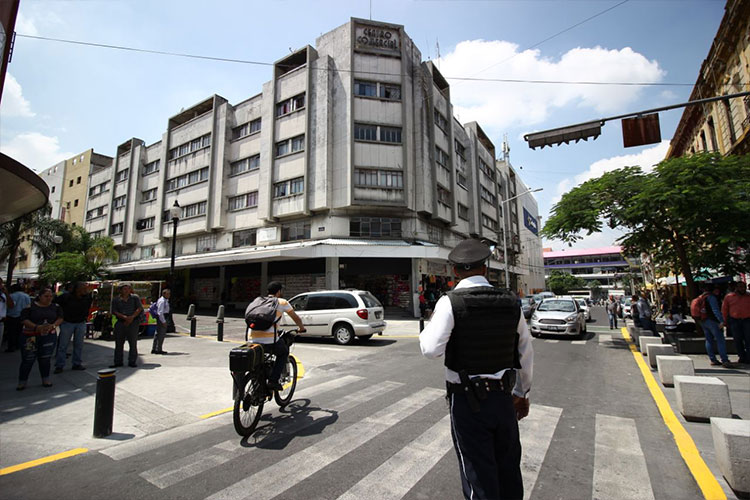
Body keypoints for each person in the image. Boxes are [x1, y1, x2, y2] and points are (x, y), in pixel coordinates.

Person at [419, 239, 533, 500]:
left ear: (455, 271)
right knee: (509, 473)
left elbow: (430, 350)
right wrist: (522, 393)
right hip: (504, 399)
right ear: (485, 268)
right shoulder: (510, 302)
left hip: (468, 402)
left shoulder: (450, 302)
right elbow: (525, 352)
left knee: (479, 479)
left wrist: (428, 327)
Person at [247, 281, 305, 390]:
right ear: (278, 292)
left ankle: (256, 384)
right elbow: (296, 318)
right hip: (270, 341)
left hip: (252, 339)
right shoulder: (282, 302)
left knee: (258, 362)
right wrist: (301, 328)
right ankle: (273, 381)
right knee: (283, 352)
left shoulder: (258, 301)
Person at [18, 288, 63, 390]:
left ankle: (45, 379)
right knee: (28, 359)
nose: (49, 298)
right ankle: (22, 381)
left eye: (50, 296)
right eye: (46, 296)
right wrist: (36, 327)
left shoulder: (55, 307)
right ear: (40, 296)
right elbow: (24, 319)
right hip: (31, 336)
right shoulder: (30, 307)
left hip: (48, 336)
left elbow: (60, 318)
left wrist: (53, 326)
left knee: (45, 358)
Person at [54, 282, 93, 373]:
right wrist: (60, 316)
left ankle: (76, 363)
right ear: (77, 289)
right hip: (68, 322)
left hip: (80, 322)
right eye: (83, 288)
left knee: (79, 344)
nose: (85, 290)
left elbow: (87, 307)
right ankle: (59, 365)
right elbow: (55, 303)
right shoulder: (66, 297)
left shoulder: (87, 297)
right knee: (63, 345)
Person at [111, 283, 143, 368]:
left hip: (133, 322)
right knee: (119, 343)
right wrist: (124, 317)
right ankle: (118, 361)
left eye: (128, 288)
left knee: (133, 342)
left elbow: (139, 308)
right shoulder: (116, 300)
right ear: (120, 290)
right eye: (124, 289)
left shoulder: (135, 298)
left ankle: (132, 361)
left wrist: (132, 317)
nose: (127, 291)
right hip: (121, 322)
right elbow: (114, 311)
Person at [700, 284, 731, 368]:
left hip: (703, 321)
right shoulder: (711, 297)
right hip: (713, 321)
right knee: (720, 340)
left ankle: (713, 359)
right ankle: (724, 360)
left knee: (708, 340)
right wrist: (721, 321)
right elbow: (715, 310)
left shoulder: (702, 297)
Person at [721, 281, 750, 365]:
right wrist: (724, 321)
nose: (742, 289)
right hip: (734, 320)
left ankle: (749, 357)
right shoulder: (729, 297)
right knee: (737, 340)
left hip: (747, 320)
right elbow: (724, 309)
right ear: (736, 288)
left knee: (748, 339)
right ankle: (742, 356)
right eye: (740, 287)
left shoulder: (748, 296)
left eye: (743, 287)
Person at [5, 284, 31, 352]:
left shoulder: (12, 296)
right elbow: (29, 306)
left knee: (11, 332)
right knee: (19, 331)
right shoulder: (26, 296)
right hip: (22, 316)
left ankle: (11, 346)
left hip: (12, 315)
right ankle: (18, 345)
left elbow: (10, 305)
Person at [151, 288, 171, 355]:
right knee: (161, 334)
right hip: (162, 317)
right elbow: (160, 312)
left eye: (169, 294)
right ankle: (158, 349)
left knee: (158, 333)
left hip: (162, 317)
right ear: (164, 294)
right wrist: (163, 321)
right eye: (167, 294)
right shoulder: (162, 301)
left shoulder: (164, 300)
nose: (169, 295)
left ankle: (155, 348)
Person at [0, 278, 12, 350]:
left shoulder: (3, 295)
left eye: (1, 284)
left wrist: (7, 294)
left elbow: (11, 305)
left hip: (1, 322)